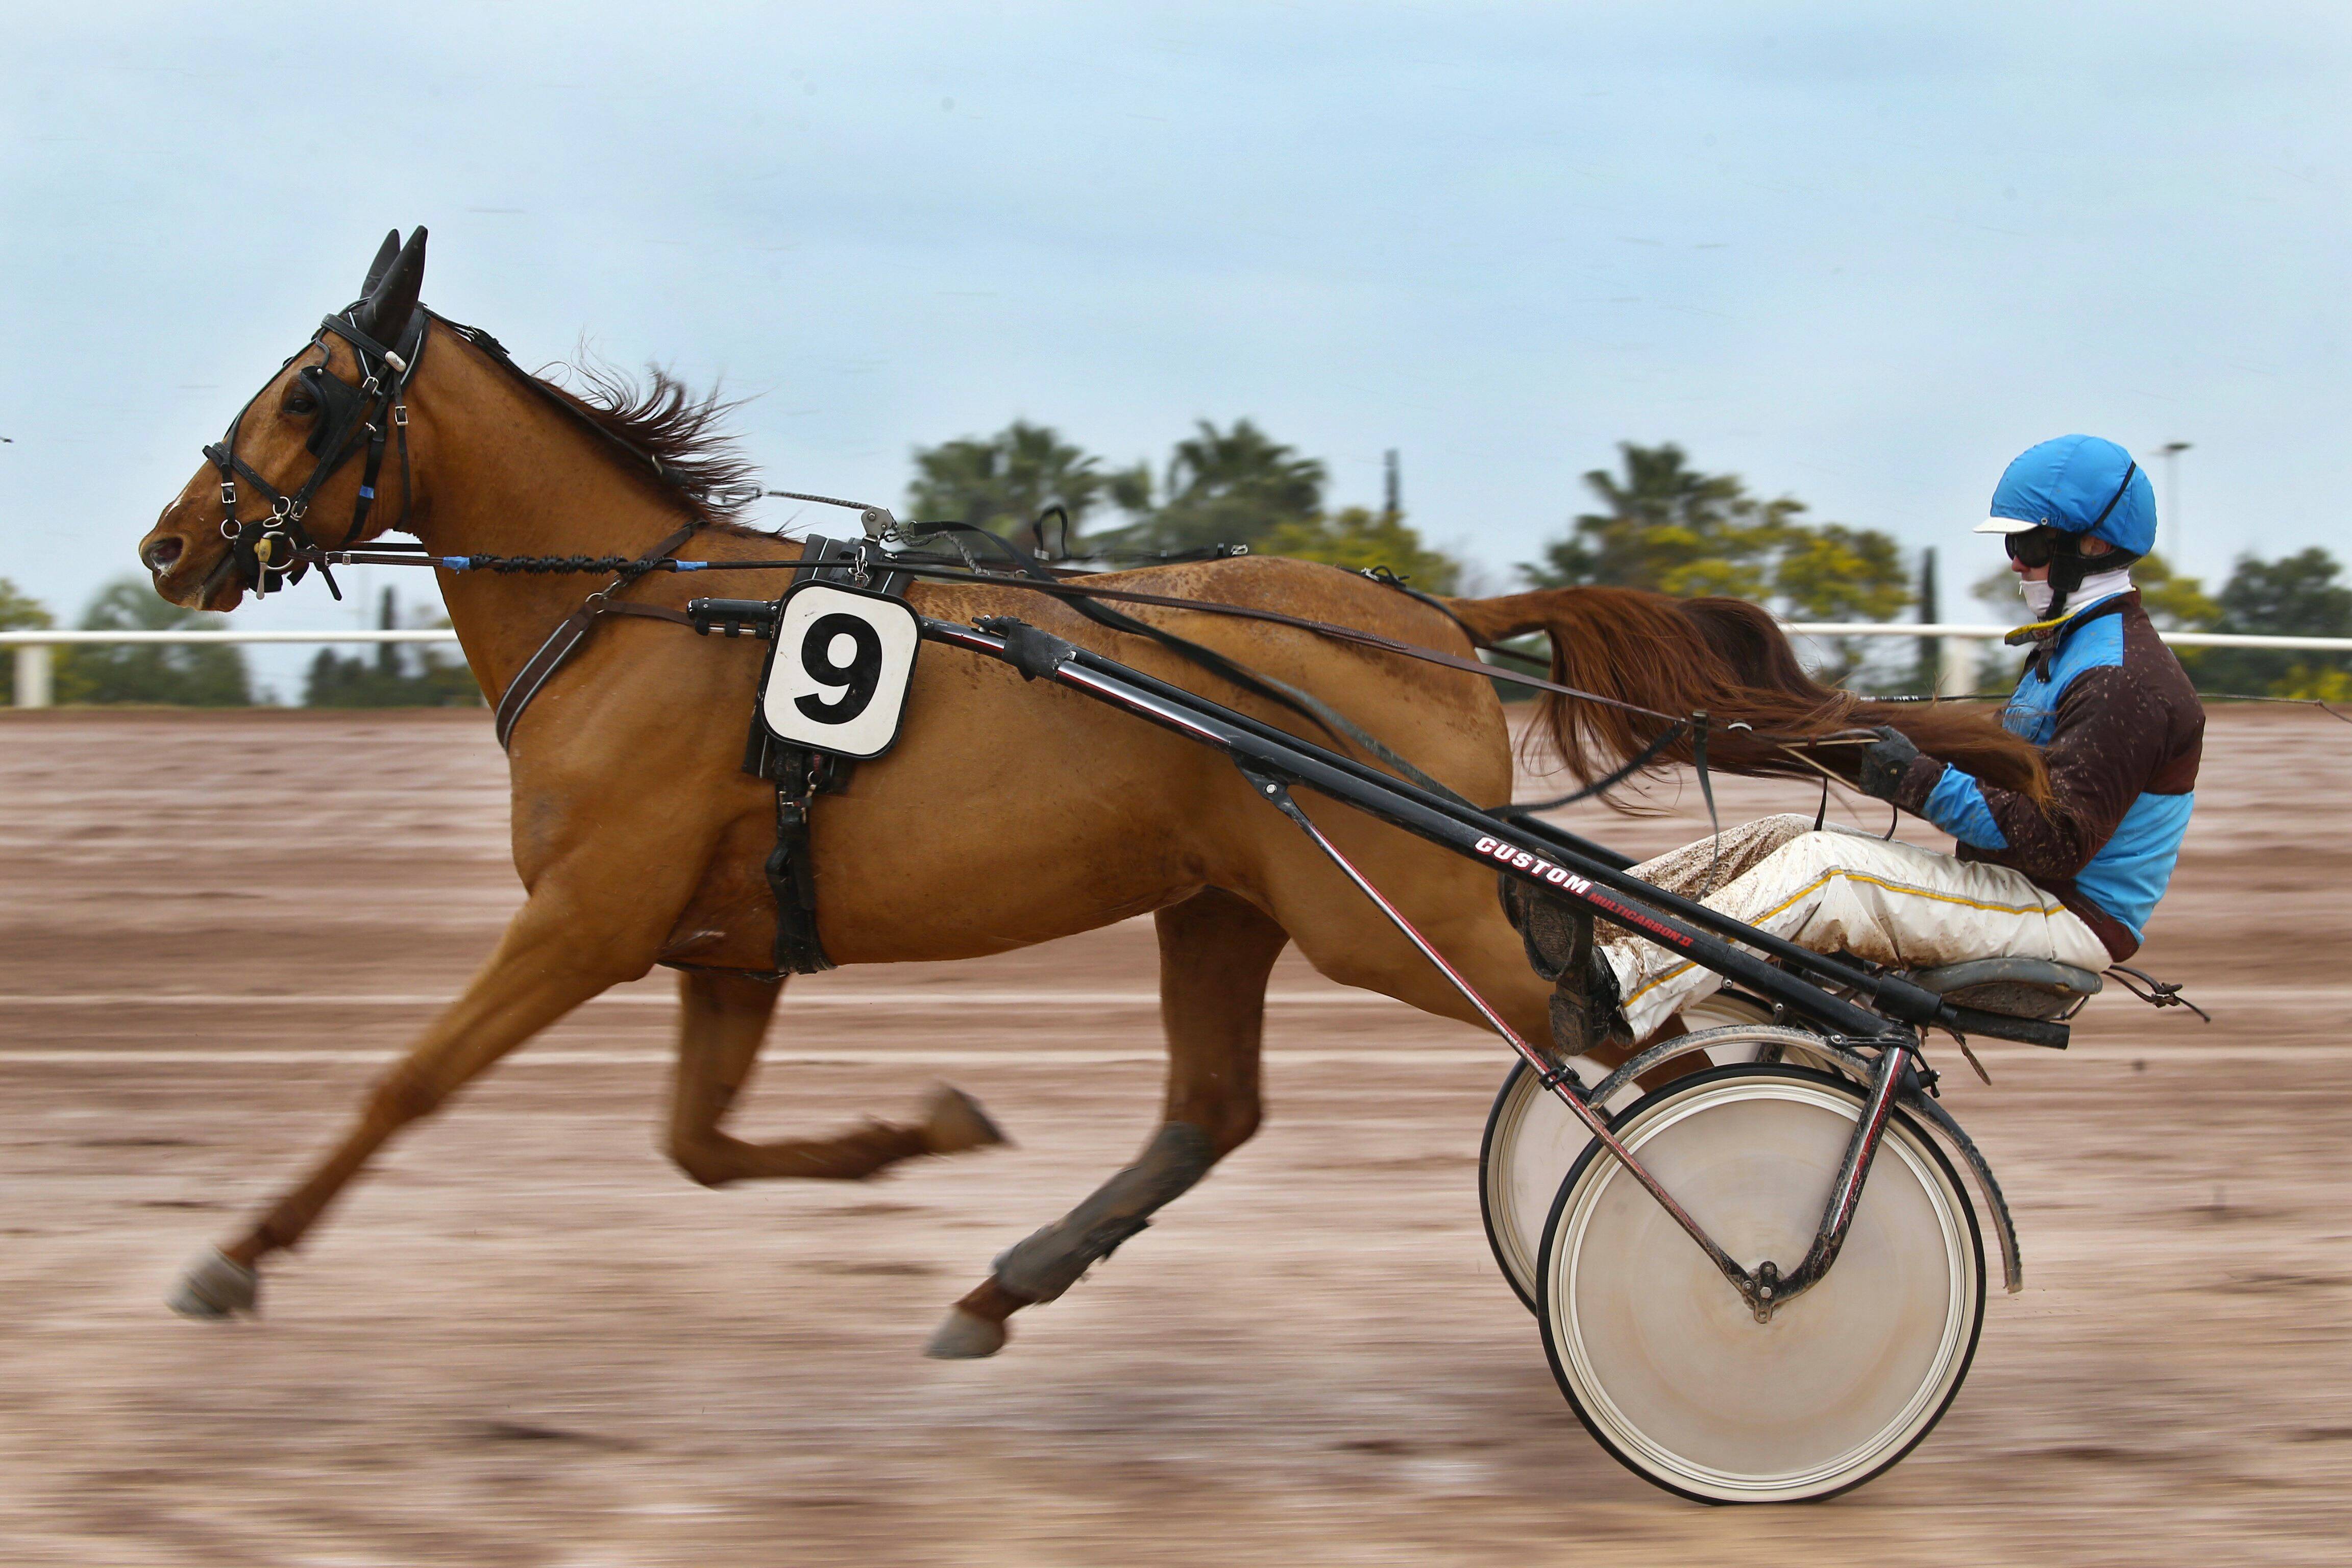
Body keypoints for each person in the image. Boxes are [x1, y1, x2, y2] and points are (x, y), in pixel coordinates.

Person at [1516, 433, 2206, 1051]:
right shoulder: (2072, 651)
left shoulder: (2122, 677)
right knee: (1787, 835)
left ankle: (1626, 982)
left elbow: (2056, 840)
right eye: (2012, 546)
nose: (2015, 564)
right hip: (2015, 893)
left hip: (2064, 919)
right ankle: (1595, 917)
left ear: (2089, 546)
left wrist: (1912, 778)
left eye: (2025, 546)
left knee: (1827, 868)